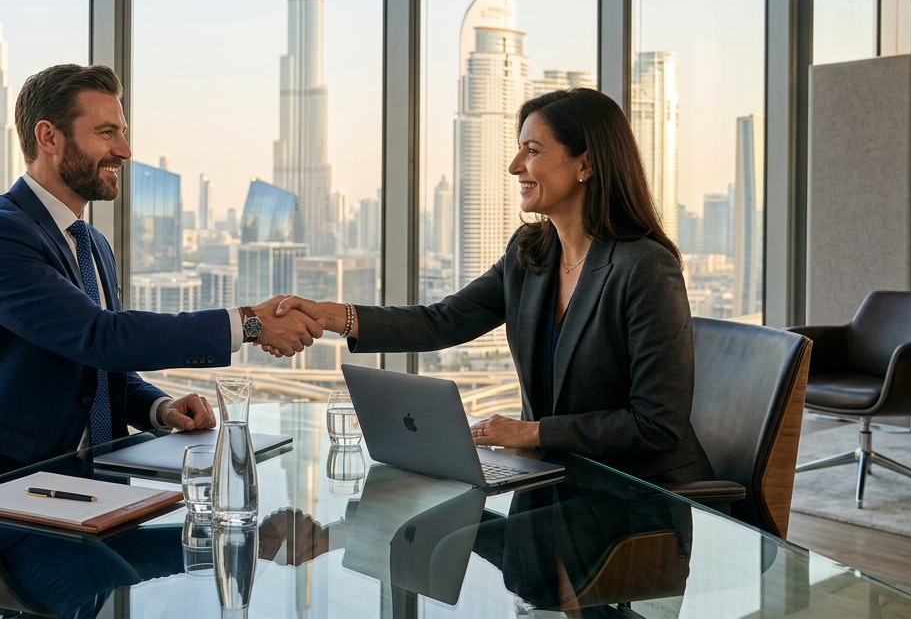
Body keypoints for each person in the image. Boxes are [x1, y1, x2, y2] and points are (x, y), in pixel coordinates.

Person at [275, 88, 712, 483]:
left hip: (640, 496)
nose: (515, 166)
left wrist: (531, 432)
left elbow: (656, 426)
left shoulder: (645, 269)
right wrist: (330, 316)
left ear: (586, 164)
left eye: (532, 150)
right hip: (553, 479)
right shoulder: (530, 253)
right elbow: (443, 321)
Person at [0, 64, 322, 488]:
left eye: (122, 133)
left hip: (96, 483)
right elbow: (100, 337)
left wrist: (159, 408)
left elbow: (100, 368)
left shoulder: (91, 242)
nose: (125, 151)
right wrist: (249, 323)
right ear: (49, 137)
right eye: (106, 133)